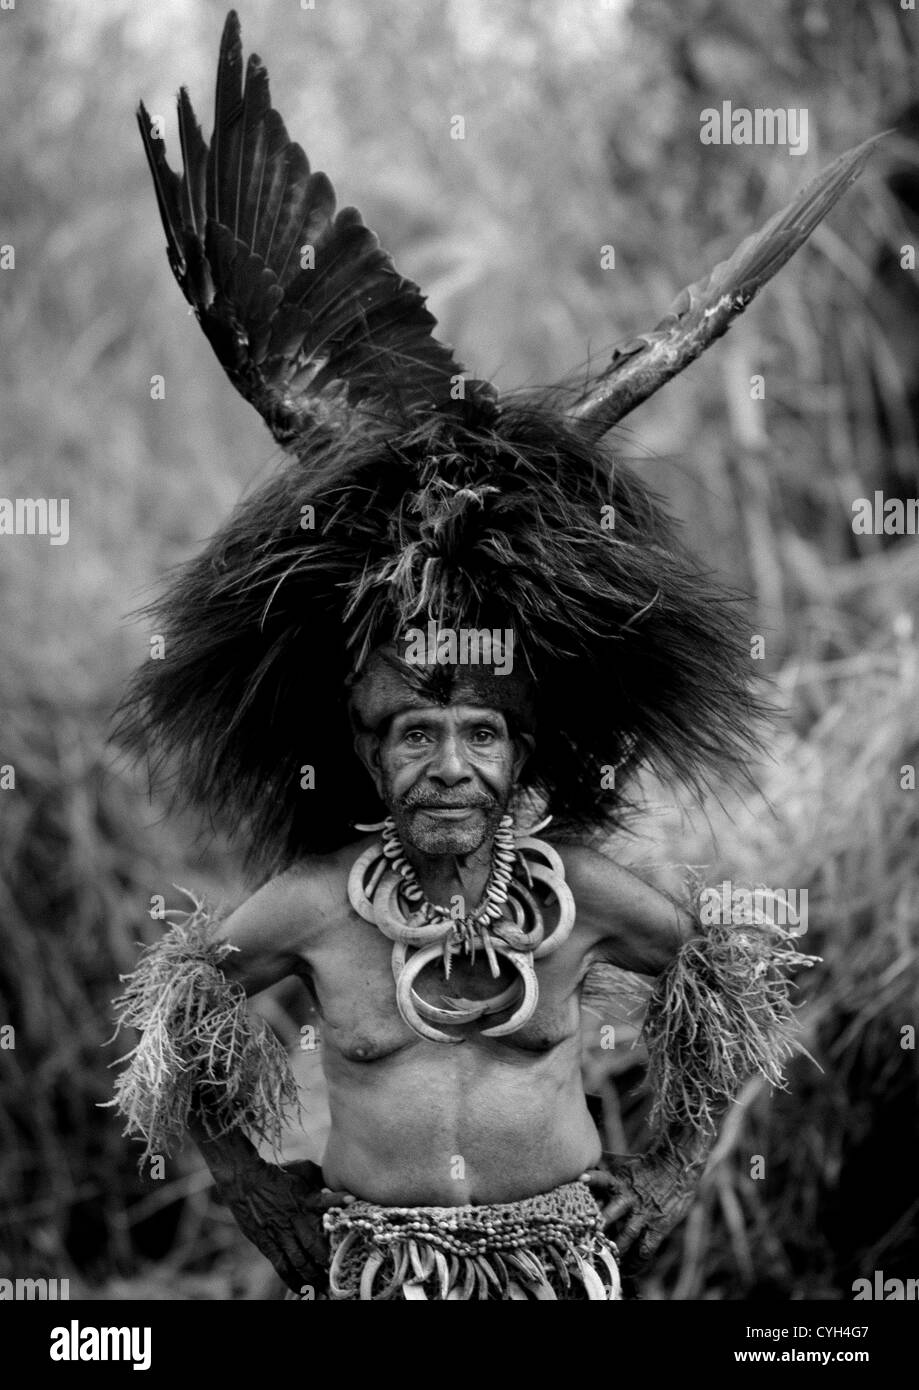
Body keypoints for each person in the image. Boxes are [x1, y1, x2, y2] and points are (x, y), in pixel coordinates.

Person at [110, 11, 875, 1299]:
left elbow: (727, 994)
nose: (449, 768)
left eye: (478, 736)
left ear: (520, 752)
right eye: (415, 735)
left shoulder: (577, 896)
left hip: (562, 1270)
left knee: (675, 340)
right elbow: (166, 1033)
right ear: (367, 753)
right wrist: (248, 1186)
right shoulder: (308, 905)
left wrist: (677, 1165)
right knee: (280, 368)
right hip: (369, 1272)